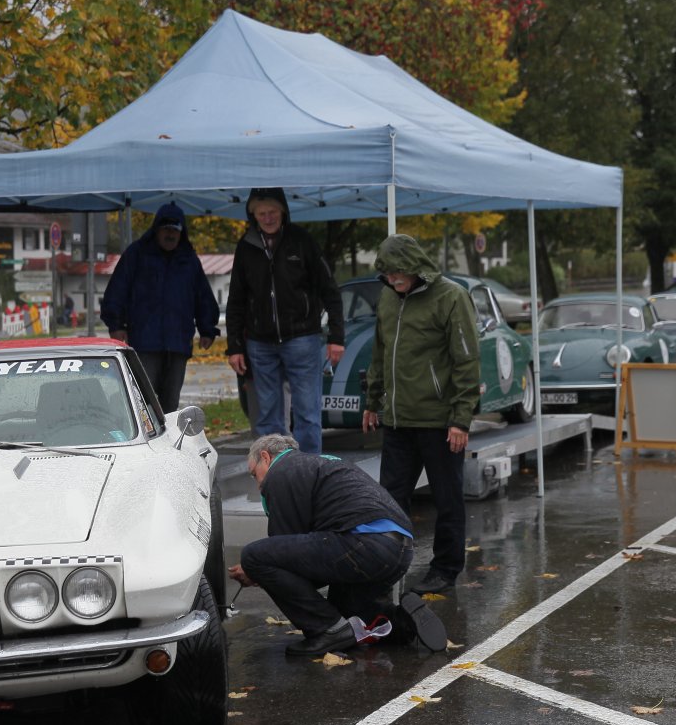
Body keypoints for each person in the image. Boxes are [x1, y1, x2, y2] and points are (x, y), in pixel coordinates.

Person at [229, 434, 447, 657]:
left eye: (254, 474)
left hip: (362, 543)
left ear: (266, 457)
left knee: (253, 556)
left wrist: (255, 573)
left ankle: (328, 630)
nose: (258, 485)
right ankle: (398, 622)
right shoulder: (325, 462)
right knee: (347, 616)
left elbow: (282, 555)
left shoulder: (281, 471)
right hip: (399, 547)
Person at [360, 234, 481, 595]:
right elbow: (380, 352)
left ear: (416, 266)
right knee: (388, 500)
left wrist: (460, 419)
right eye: (387, 273)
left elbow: (466, 360)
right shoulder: (387, 297)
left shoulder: (451, 297)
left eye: (398, 272)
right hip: (398, 421)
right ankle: (387, 565)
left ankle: (446, 568)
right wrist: (372, 401)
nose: (392, 279)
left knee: (447, 499)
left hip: (439, 421)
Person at [225, 188, 344, 454]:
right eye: (262, 214)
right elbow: (236, 300)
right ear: (253, 216)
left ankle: (309, 469)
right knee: (268, 418)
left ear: (283, 212)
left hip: (302, 337)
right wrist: (234, 346)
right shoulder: (246, 246)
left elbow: (330, 289)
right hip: (260, 343)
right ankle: (276, 471)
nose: (268, 218)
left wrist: (337, 337)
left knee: (308, 413)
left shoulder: (302, 241)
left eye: (273, 212)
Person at [101, 202, 219, 411]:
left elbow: (203, 297)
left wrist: (207, 329)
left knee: (170, 405)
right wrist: (116, 325)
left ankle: (166, 433)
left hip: (178, 344)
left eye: (175, 230)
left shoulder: (189, 260)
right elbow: (117, 290)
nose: (170, 234)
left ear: (182, 232)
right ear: (156, 229)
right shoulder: (136, 255)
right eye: (166, 229)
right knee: (142, 402)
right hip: (144, 343)